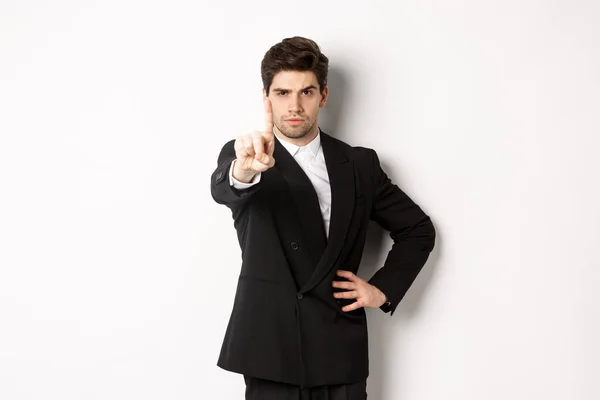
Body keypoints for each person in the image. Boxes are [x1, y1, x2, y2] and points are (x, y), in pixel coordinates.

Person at [210, 36, 436, 400]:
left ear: (324, 96)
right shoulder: (247, 156)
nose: (294, 105)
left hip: (338, 347)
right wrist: (245, 170)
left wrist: (381, 289)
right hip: (270, 348)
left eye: (306, 92)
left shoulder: (360, 164)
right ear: (266, 97)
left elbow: (417, 229)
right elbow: (226, 188)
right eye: (283, 93)